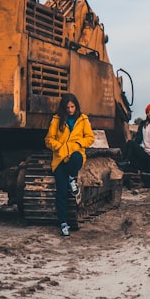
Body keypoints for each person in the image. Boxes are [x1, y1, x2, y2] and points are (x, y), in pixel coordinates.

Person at [45, 93, 94, 236]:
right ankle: (63, 223)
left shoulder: (83, 119)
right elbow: (48, 140)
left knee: (78, 158)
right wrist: (59, 146)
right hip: (60, 158)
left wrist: (79, 143)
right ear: (64, 108)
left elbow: (90, 138)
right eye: (68, 107)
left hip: (75, 154)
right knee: (61, 192)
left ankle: (72, 177)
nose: (70, 110)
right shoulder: (57, 120)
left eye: (72, 107)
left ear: (76, 106)